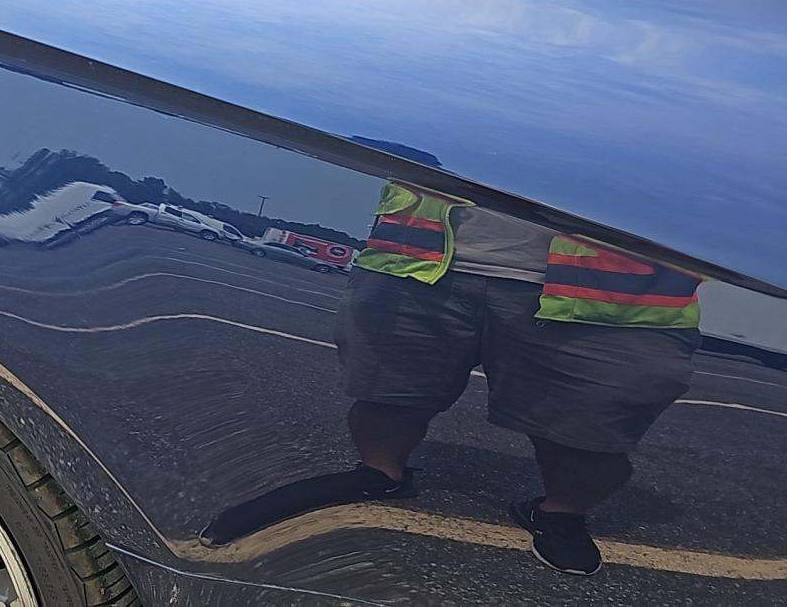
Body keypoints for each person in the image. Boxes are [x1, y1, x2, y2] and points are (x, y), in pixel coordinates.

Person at [200, 181, 703, 575]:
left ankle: (561, 512)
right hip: (416, 260)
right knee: (386, 393)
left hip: (615, 295)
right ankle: (380, 474)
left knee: (589, 433)